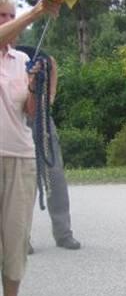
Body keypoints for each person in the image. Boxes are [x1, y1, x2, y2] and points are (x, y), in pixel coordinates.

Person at [0, 0, 61, 296]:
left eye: (11, 16)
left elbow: (30, 112)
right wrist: (37, 11)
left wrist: (36, 85)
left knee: (16, 237)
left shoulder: (22, 60)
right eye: (2, 17)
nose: (8, 22)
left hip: (20, 156)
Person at [15, 45, 81, 251]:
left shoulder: (32, 54)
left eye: (10, 17)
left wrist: (50, 96)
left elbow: (51, 62)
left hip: (41, 117)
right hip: (13, 121)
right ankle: (21, 238)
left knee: (55, 175)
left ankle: (63, 234)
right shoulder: (7, 59)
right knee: (24, 181)